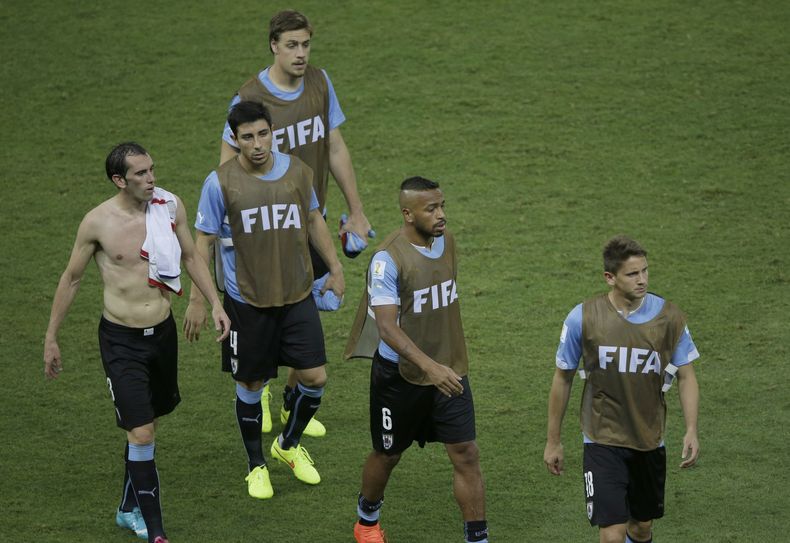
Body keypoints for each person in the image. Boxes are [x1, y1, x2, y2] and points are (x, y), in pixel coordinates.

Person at [43, 142, 230, 543]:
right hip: (121, 342)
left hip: (161, 336)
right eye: (141, 174)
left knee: (147, 429)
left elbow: (192, 257)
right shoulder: (98, 223)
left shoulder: (169, 206)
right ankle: (157, 532)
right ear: (118, 180)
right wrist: (51, 337)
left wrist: (214, 303)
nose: (151, 179)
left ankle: (128, 509)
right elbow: (72, 279)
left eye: (152, 170)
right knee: (141, 433)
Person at [215, 9, 373, 437]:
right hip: (264, 229)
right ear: (273, 45)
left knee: (302, 309)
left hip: (308, 219)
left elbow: (334, 146)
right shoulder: (248, 98)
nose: (301, 54)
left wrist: (356, 210)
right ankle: (259, 390)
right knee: (264, 312)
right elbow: (226, 172)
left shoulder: (320, 83)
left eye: (306, 44)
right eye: (292, 45)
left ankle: (291, 398)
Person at [185, 101, 344, 499]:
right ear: (234, 139)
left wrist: (335, 267)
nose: (257, 144)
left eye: (263, 134)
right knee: (251, 383)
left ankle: (286, 446)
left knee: (315, 378)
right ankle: (256, 466)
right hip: (246, 300)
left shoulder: (296, 172)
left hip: (296, 294)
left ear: (272, 130)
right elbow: (201, 243)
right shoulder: (219, 183)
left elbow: (313, 221)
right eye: (247, 137)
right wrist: (199, 300)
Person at [344, 177, 488, 543]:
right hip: (400, 377)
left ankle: (477, 538)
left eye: (442, 206)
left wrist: (443, 365)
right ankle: (367, 521)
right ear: (408, 214)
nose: (441, 215)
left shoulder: (447, 242)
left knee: (466, 453)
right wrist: (430, 367)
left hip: (449, 370)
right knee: (388, 454)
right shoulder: (386, 260)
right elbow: (388, 329)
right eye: (431, 209)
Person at [543, 235, 701, 543]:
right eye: (632, 274)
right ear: (610, 278)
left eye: (645, 271)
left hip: (649, 439)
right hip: (601, 437)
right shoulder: (583, 317)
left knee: (641, 528)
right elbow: (562, 378)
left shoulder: (669, 318)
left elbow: (687, 376)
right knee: (612, 534)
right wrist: (553, 441)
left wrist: (692, 428)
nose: (642, 280)